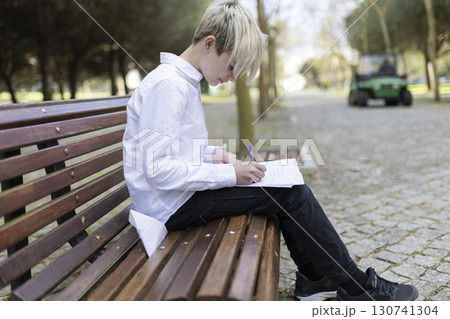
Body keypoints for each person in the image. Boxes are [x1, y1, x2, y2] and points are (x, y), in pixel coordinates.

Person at [123, 0, 418, 301]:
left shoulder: (183, 82)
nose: (232, 78)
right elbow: (158, 170)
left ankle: (315, 279)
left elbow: (177, 148)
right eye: (232, 65)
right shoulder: (167, 87)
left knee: (286, 186)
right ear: (209, 44)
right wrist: (230, 174)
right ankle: (357, 289)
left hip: (178, 198)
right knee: (289, 192)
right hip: (169, 208)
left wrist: (215, 155)